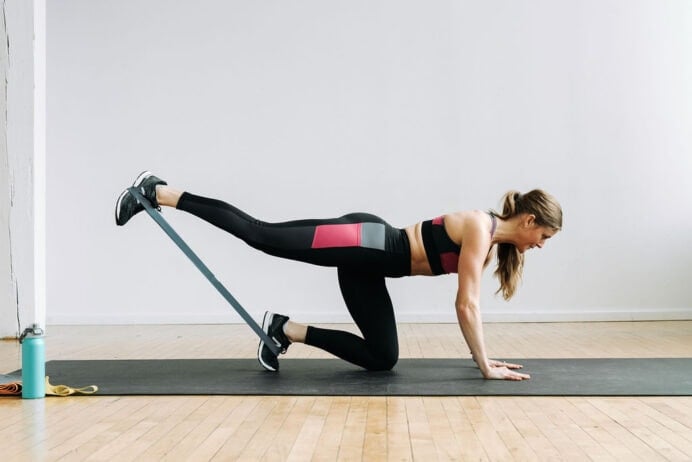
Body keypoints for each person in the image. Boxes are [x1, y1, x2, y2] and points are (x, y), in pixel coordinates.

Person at [115, 171, 562, 381]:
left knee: (382, 357)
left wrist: (485, 359)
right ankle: (160, 192)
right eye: (542, 236)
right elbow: (467, 304)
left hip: (371, 268)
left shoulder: (489, 242)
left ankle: (284, 329)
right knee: (260, 235)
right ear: (527, 221)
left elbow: (469, 304)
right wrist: (485, 365)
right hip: (365, 241)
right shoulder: (479, 229)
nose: (539, 245)